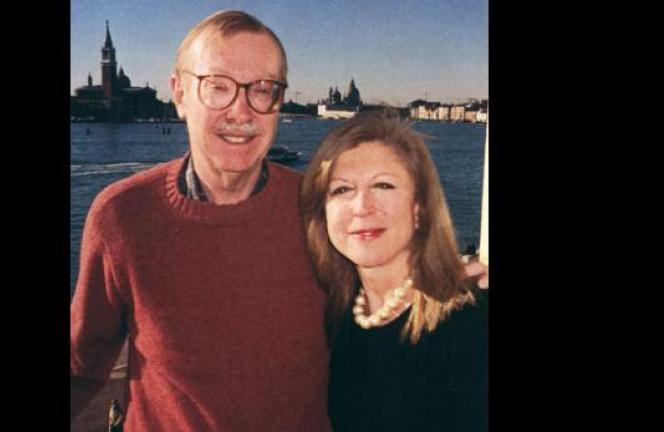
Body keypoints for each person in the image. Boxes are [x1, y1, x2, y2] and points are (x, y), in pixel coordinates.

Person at [71, 10, 488, 431]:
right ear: (178, 94)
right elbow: (81, 361)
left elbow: (385, 268)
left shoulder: (317, 207)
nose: (241, 110)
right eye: (217, 87)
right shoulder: (121, 216)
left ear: (278, 102)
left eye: (263, 89)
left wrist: (455, 280)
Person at [300, 112, 488, 431]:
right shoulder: (340, 315)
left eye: (383, 185)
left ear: (419, 210)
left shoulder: (473, 325)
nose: (362, 206)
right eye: (342, 190)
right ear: (323, 214)